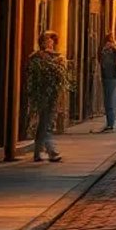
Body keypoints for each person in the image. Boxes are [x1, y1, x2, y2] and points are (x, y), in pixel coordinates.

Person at [25, 31, 71, 163]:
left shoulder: (56, 57)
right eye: (48, 41)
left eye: (52, 41)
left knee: (43, 123)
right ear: (42, 42)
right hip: (43, 95)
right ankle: (52, 152)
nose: (50, 43)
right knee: (47, 124)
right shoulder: (38, 57)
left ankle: (37, 153)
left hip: (52, 95)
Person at [96, 33, 116, 132]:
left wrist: (113, 47)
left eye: (111, 41)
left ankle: (111, 123)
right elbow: (100, 61)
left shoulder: (115, 51)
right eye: (108, 41)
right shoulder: (103, 51)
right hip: (106, 77)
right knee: (107, 101)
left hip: (113, 78)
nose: (109, 43)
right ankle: (109, 122)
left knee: (110, 100)